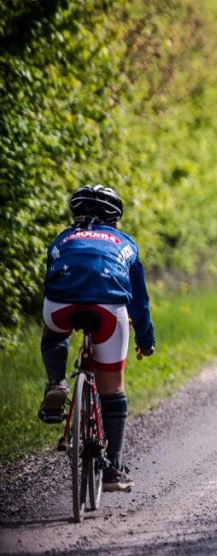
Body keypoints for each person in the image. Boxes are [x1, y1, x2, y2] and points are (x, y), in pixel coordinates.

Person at [38, 185, 156, 491]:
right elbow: (139, 302)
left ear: (76, 215)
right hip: (108, 306)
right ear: (115, 219)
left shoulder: (63, 238)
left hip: (61, 301)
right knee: (113, 387)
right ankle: (114, 470)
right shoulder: (125, 242)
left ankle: (57, 383)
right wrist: (145, 340)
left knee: (53, 334)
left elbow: (50, 279)